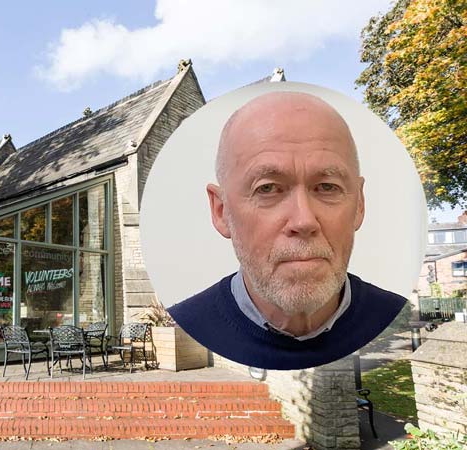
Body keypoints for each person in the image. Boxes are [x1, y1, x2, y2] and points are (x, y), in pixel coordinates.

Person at [167, 91, 406, 370]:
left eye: (327, 187)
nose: (304, 221)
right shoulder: (191, 321)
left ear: (359, 205)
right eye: (267, 188)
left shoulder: (393, 315)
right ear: (221, 211)